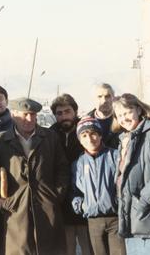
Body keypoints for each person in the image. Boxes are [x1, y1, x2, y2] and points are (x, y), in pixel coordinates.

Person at [0, 97, 69, 255]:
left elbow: (62, 169)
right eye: (24, 115)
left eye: (32, 114)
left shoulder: (50, 137)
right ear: (13, 115)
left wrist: (56, 195)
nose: (29, 119)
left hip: (47, 209)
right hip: (15, 210)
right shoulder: (0, 141)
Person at [112, 93, 150, 255]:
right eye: (119, 115)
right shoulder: (126, 139)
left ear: (138, 109)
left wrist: (145, 198)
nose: (124, 118)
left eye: (127, 112)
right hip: (133, 219)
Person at [72, 117, 126, 255]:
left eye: (93, 134)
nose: (90, 139)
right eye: (84, 136)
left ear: (100, 135)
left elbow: (125, 185)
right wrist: (81, 205)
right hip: (93, 221)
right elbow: (75, 191)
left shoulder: (115, 156)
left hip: (115, 219)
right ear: (79, 140)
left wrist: (118, 202)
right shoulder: (78, 163)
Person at [50, 94, 92, 255]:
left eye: (67, 111)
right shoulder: (50, 135)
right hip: (60, 203)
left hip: (85, 200)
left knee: (88, 249)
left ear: (75, 111)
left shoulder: (87, 131)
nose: (63, 116)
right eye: (59, 113)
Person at [87, 83, 119, 149]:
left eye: (107, 96)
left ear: (113, 98)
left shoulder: (122, 120)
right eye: (99, 96)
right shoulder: (86, 122)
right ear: (93, 99)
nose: (104, 101)